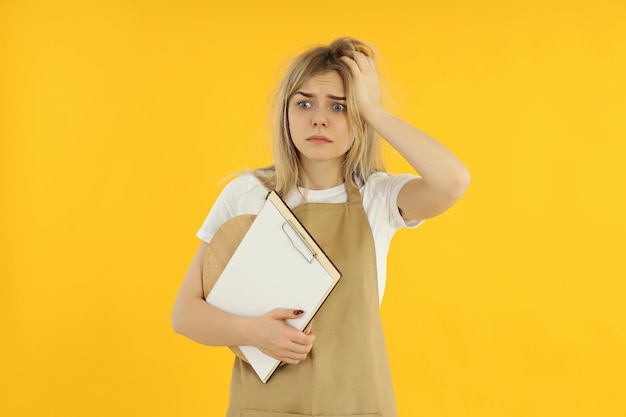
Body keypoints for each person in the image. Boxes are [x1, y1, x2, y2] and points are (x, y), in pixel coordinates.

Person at [172, 37, 470, 416]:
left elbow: (453, 181)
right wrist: (252, 333)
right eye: (304, 102)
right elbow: (184, 314)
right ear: (286, 113)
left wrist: (373, 109)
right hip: (266, 406)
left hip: (357, 404)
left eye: (340, 106)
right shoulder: (246, 193)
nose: (319, 118)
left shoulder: (379, 197)